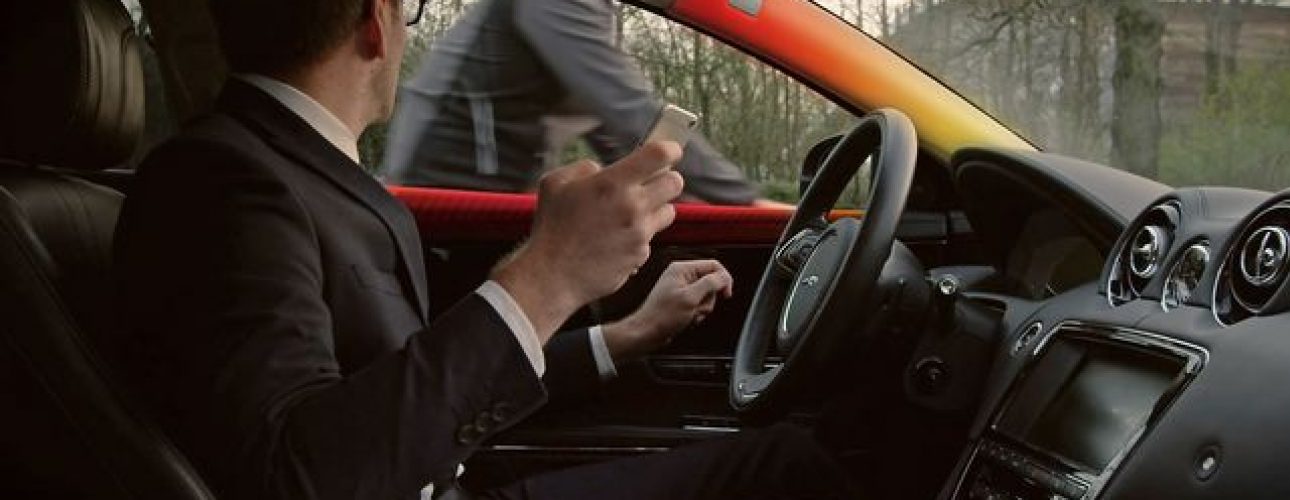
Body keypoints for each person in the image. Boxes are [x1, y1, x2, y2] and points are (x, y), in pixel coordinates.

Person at [113, 0, 854, 498]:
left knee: (789, 459)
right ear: (375, 23)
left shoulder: (295, 170)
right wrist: (548, 274)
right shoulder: (220, 180)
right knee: (792, 469)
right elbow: (293, 476)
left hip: (446, 476)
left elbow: (414, 379)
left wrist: (625, 336)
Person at [382, 0, 784, 207]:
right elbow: (624, 106)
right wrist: (742, 199)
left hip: (497, 189)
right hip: (443, 190)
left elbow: (612, 130)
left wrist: (676, 193)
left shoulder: (593, 13)